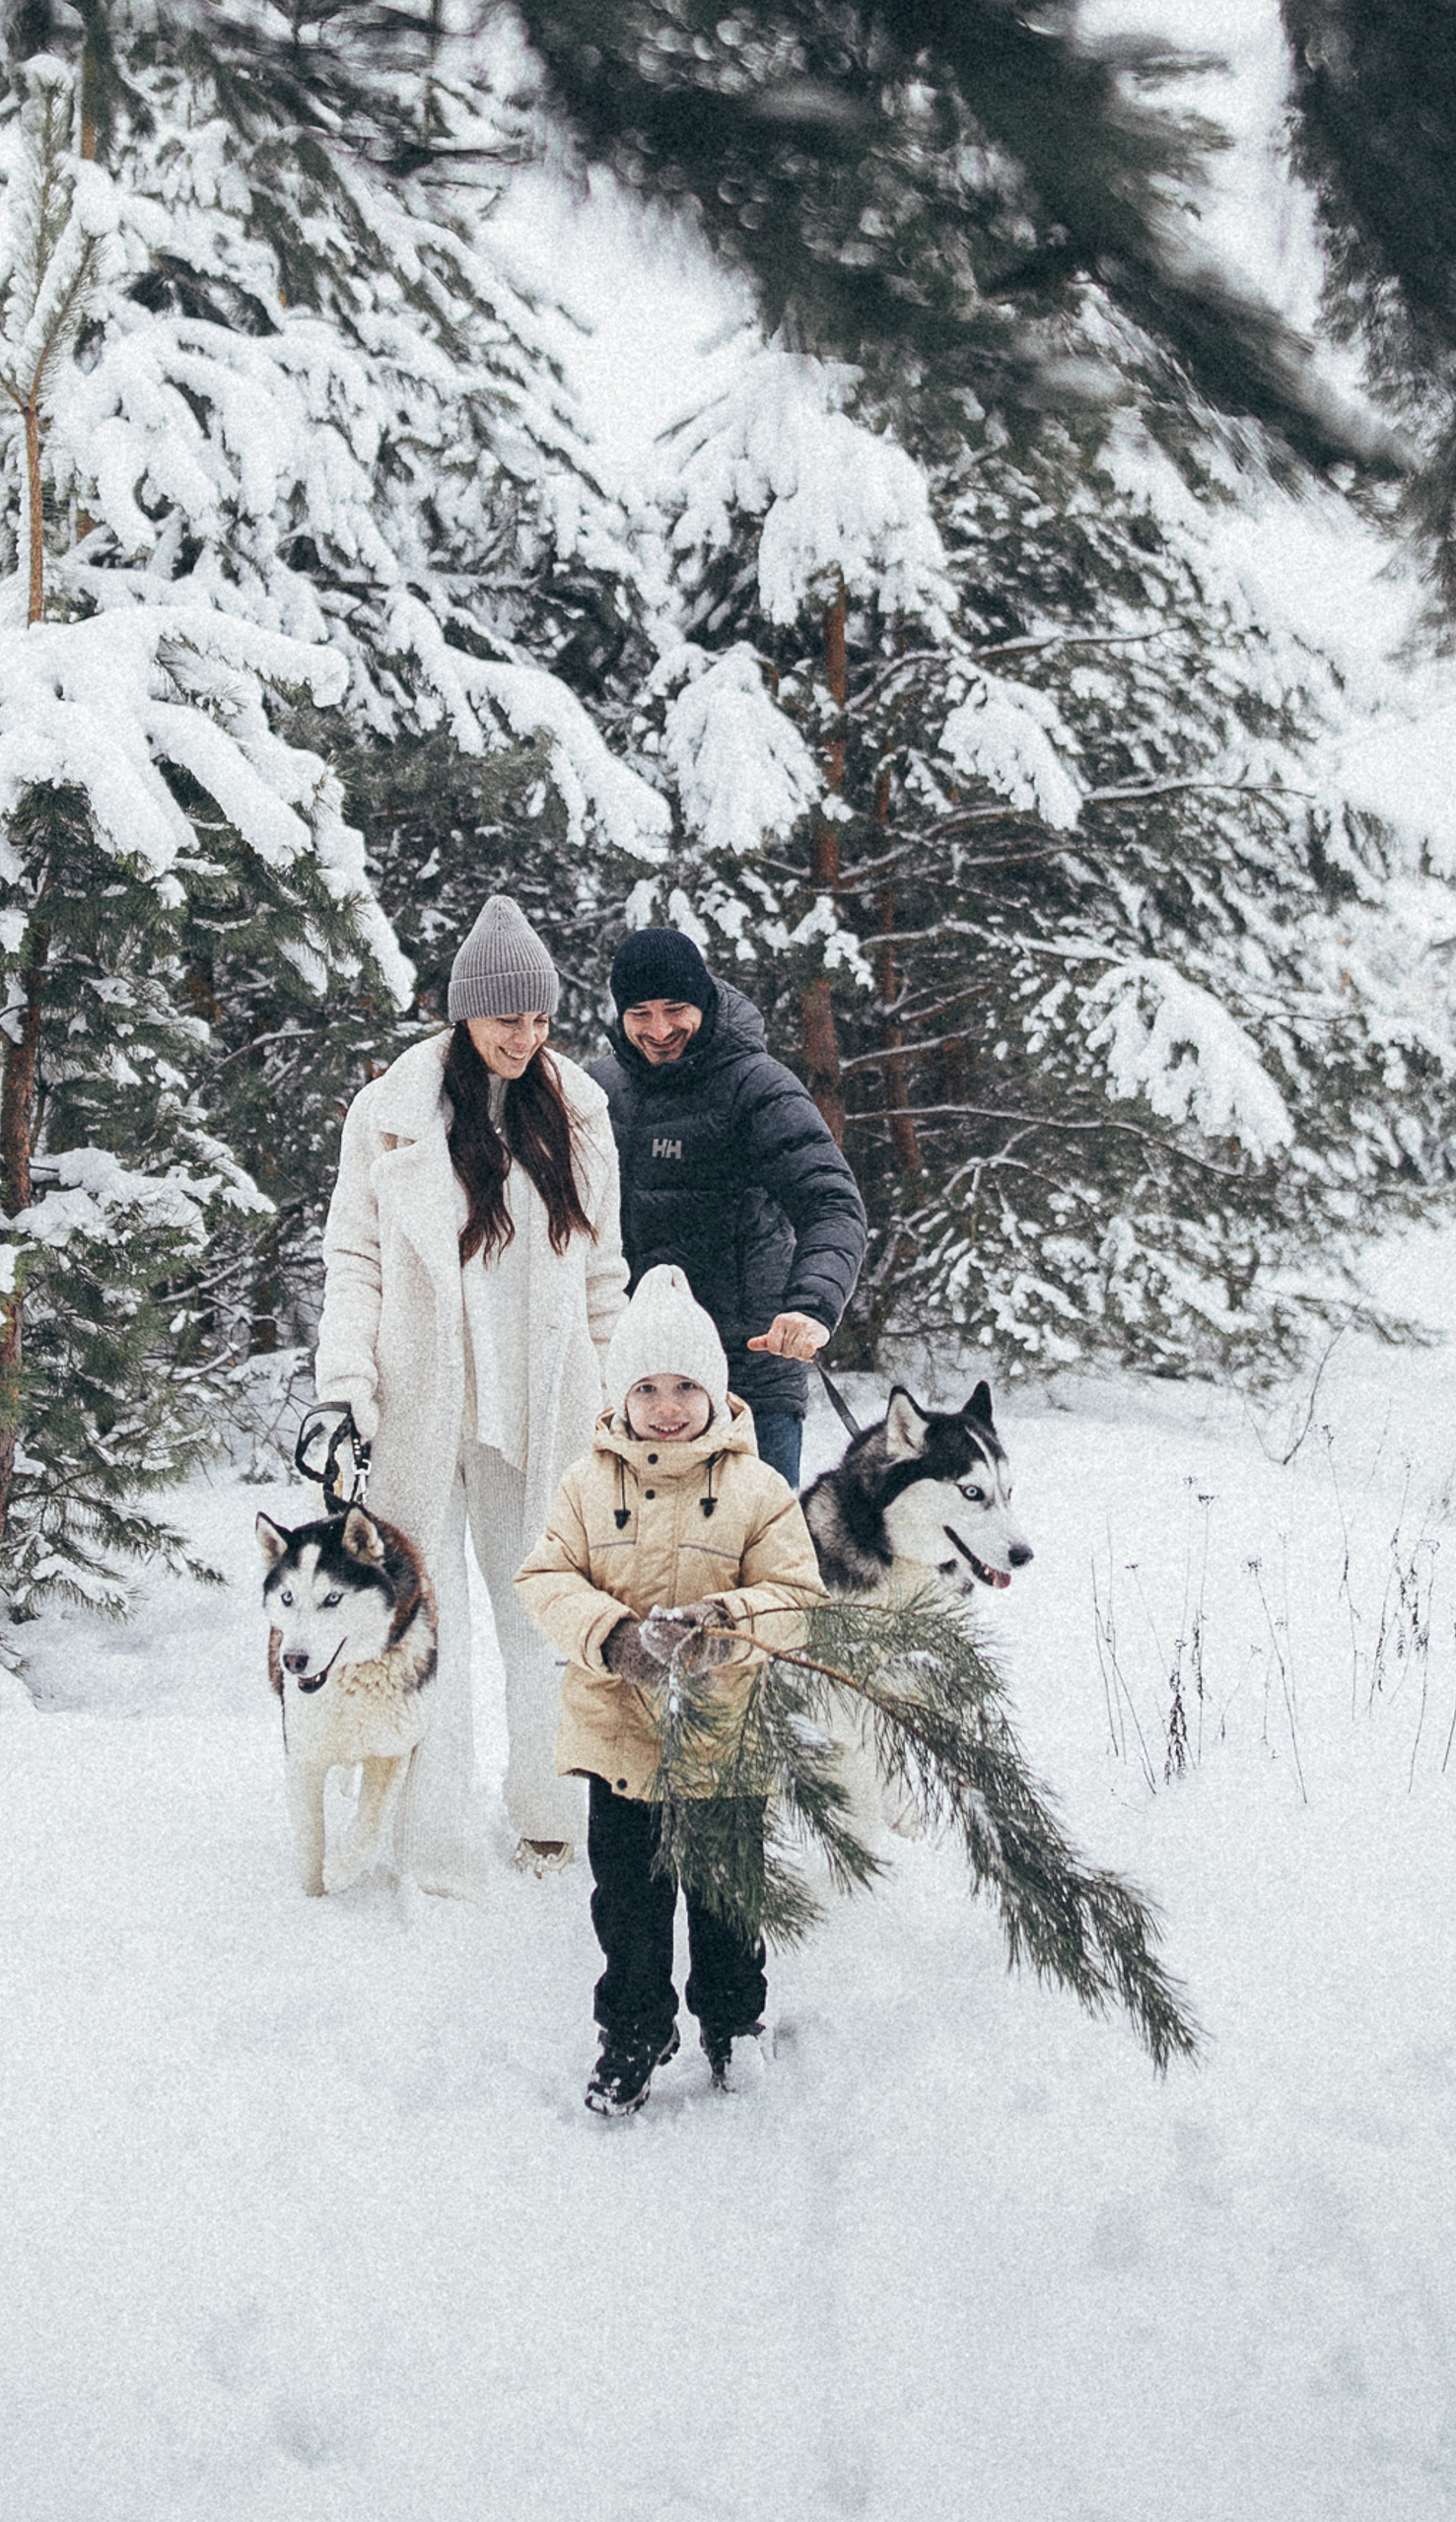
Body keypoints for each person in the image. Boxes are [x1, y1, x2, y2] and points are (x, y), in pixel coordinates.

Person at [316, 895, 628, 1894]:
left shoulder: (577, 1108)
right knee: (426, 1622)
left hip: (541, 1405)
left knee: (541, 1615)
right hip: (420, 1404)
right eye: (506, 1021)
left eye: (540, 1021)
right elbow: (353, 1261)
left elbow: (603, 1276)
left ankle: (551, 1816)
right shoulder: (392, 1114)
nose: (524, 1039)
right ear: (463, 1016)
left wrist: (617, 1407)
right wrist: (344, 1389)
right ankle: (433, 1839)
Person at [514, 1264, 825, 2116]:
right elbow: (543, 1579)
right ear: (620, 1396)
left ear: (717, 1391)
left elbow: (798, 1598)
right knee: (630, 1913)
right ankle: (634, 2034)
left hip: (726, 1740)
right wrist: (612, 1636)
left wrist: (724, 1621)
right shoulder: (585, 1484)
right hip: (620, 1742)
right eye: (646, 1387)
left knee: (726, 1904)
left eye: (686, 1385)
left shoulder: (759, 1489)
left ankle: (732, 2025)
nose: (666, 1406)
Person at [592, 925, 868, 1489]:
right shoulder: (594, 1089)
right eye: (640, 1013)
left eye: (676, 1009)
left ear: (705, 1003)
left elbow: (832, 1204)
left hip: (747, 1385)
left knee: (757, 1572)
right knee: (633, 1574)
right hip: (636, 1391)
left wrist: (811, 1305)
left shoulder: (757, 1086)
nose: (660, 1029)